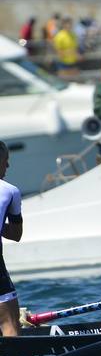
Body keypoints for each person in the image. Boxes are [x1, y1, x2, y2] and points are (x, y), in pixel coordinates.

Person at [0, 142, 24, 337]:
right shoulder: (10, 191)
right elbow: (16, 235)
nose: (8, 166)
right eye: (5, 160)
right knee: (9, 323)